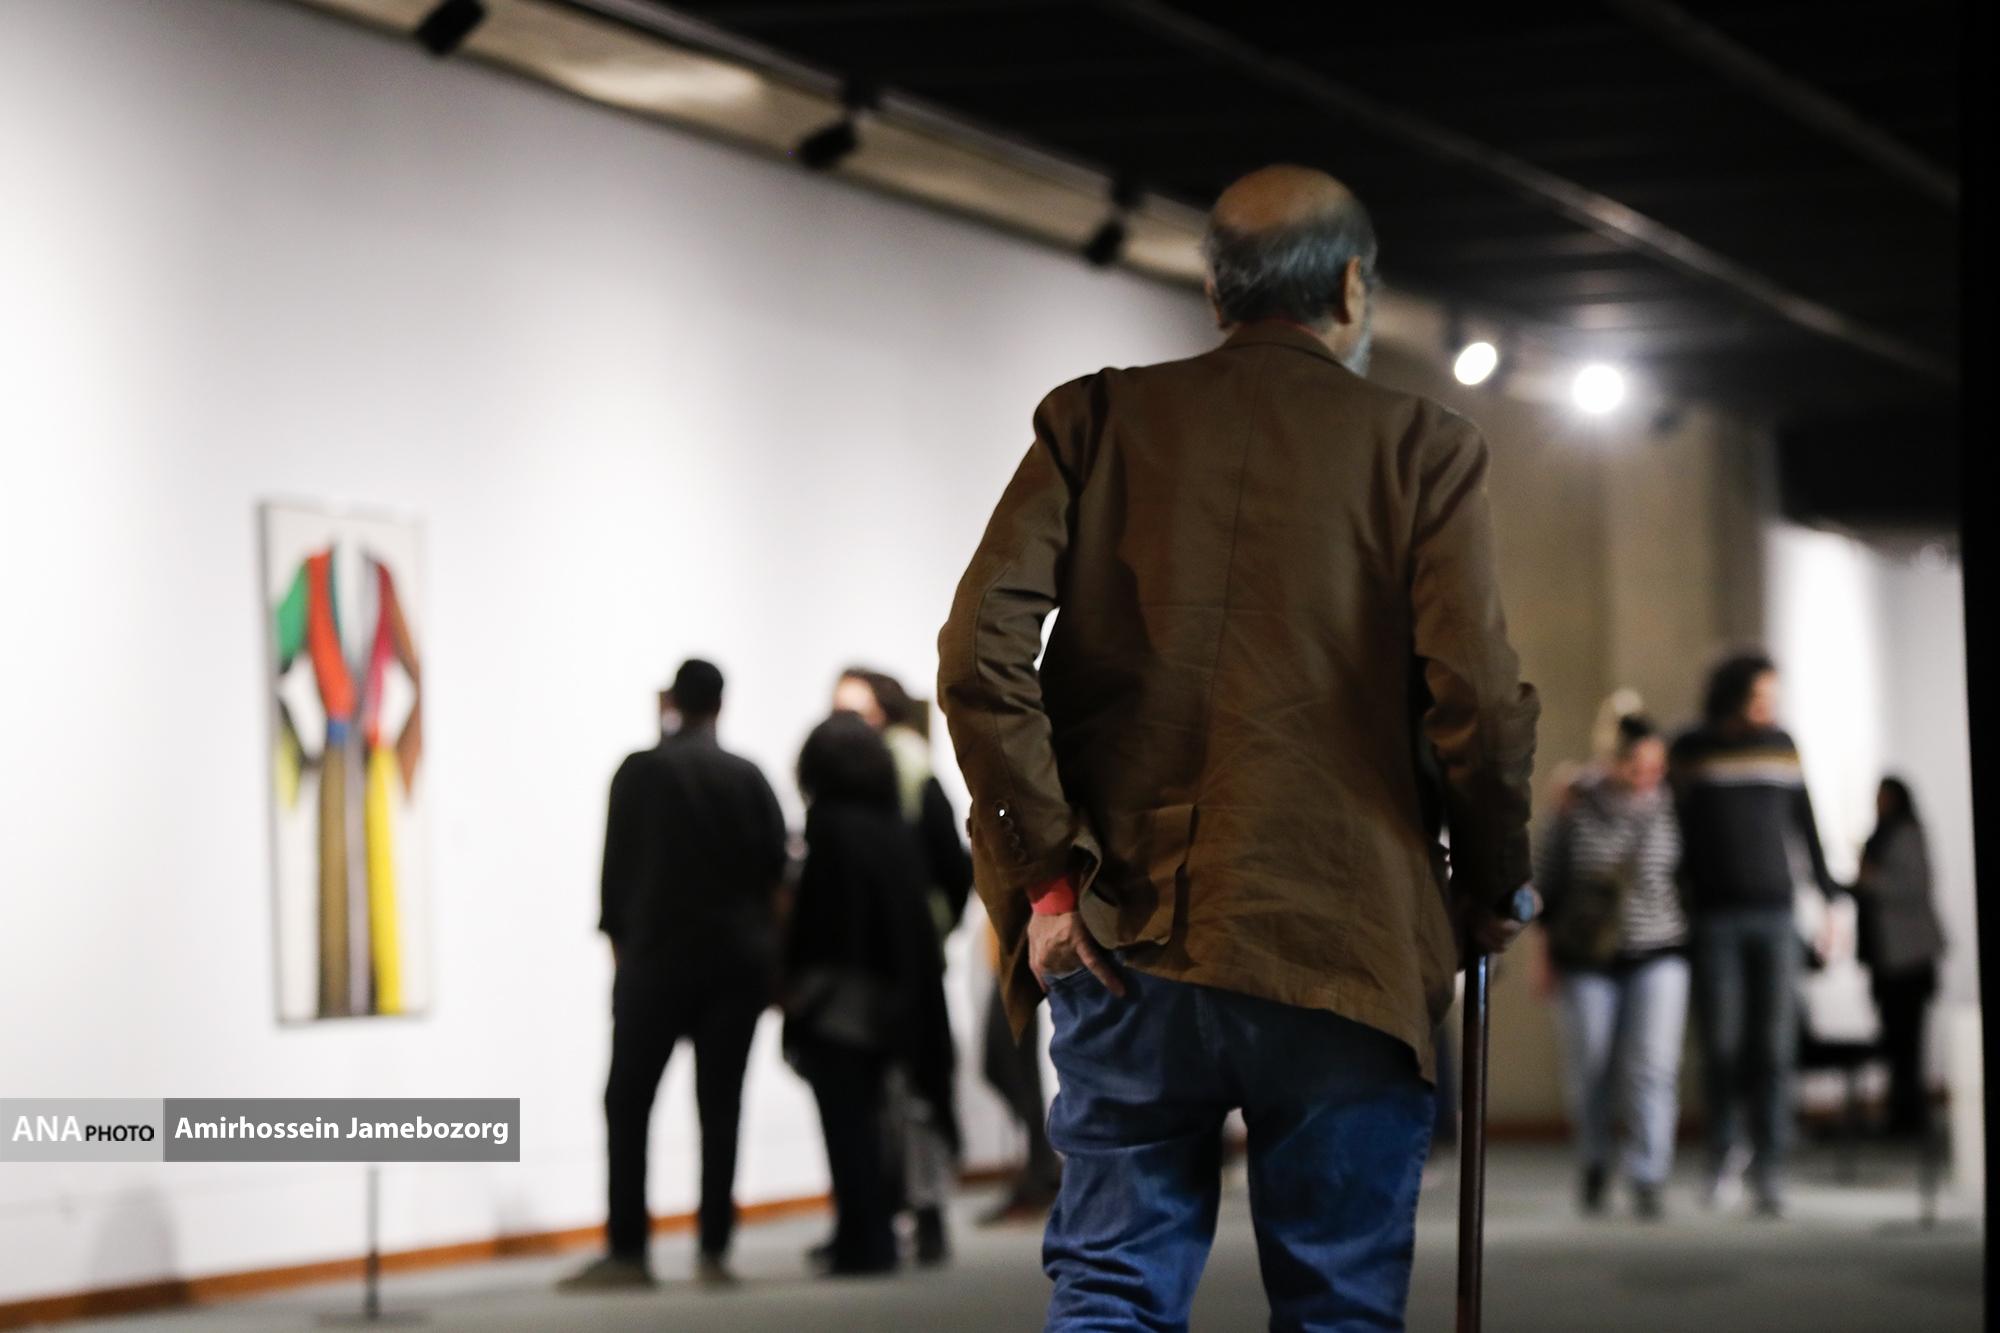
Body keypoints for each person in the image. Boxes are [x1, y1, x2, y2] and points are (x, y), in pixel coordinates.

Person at [937, 164, 1540, 1331]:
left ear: (1215, 290)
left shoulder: (1093, 419)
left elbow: (977, 651)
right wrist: (1488, 880)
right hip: (1342, 939)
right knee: (1334, 1306)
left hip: (1125, 930)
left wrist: (1048, 875)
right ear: (1352, 288)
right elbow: (1474, 693)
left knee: (1110, 1287)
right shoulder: (1422, 445)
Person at [560, 659, 789, 1292]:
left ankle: (628, 1249)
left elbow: (615, 876)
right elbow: (777, 873)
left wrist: (622, 954)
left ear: (670, 701)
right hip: (735, 965)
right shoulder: (747, 776)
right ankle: (714, 1246)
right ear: (721, 705)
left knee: (627, 1102)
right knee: (721, 1107)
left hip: (656, 963)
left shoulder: (639, 772)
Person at [783, 713, 961, 1277]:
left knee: (848, 1123)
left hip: (841, 1002)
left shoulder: (829, 828)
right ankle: (878, 1231)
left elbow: (822, 925)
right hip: (900, 998)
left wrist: (797, 991)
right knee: (890, 1119)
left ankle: (863, 1239)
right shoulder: (893, 828)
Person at [1670, 653, 1841, 1217]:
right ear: (1734, 694)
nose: (1770, 705)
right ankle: (1723, 1156)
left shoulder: (1782, 745)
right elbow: (1663, 820)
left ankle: (1770, 1169)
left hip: (1776, 916)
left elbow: (1805, 825)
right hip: (1714, 917)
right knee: (1722, 1044)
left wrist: (1830, 900)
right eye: (1761, 694)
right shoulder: (1691, 748)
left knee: (1774, 1047)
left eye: (1774, 695)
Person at [830, 667, 970, 1263]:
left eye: (859, 712)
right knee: (874, 1097)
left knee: (916, 1088)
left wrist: (930, 930)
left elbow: (953, 867)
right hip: (866, 964)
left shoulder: (910, 774)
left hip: (907, 960)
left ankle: (925, 1211)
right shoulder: (844, 796)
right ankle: (874, 1217)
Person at [1536, 712, 1688, 1220]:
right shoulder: (1575, 804)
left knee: (1653, 1066)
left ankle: (1648, 1174)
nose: (1647, 777)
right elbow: (1548, 882)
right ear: (1611, 761)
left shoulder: (1673, 804)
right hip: (1587, 958)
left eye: (1655, 767)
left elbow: (1689, 875)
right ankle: (1596, 1161)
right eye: (1636, 767)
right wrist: (1542, 956)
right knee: (1592, 1066)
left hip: (1659, 950)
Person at [1853, 776, 1945, 1138]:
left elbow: (1914, 886)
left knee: (1909, 1041)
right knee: (1895, 1039)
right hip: (1887, 957)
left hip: (1910, 957)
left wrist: (1871, 881)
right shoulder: (1881, 836)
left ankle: (1910, 1117)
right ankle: (1900, 1114)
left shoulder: (1906, 834)